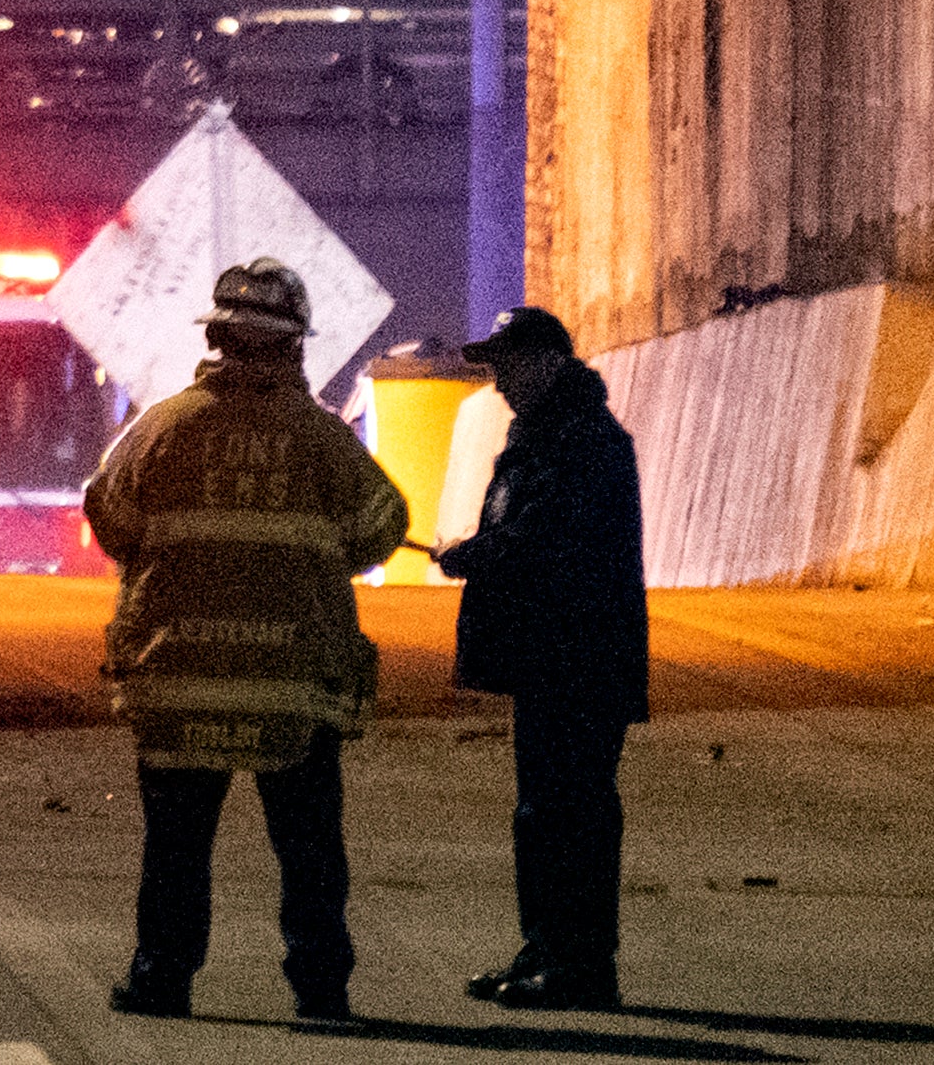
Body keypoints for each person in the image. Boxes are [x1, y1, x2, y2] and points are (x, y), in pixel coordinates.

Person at [82, 256, 411, 1024]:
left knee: (175, 850)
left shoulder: (160, 428)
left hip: (178, 679)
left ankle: (162, 980)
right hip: (291, 690)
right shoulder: (324, 443)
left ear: (219, 338)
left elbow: (111, 519)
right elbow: (380, 531)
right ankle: (320, 991)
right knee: (308, 854)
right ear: (296, 348)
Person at [434, 303, 648, 1012]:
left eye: (510, 366)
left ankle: (580, 966)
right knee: (543, 813)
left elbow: (543, 540)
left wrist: (470, 555)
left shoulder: (581, 441)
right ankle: (546, 949)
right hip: (553, 661)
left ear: (549, 363)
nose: (499, 383)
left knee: (573, 814)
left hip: (579, 662)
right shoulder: (548, 434)